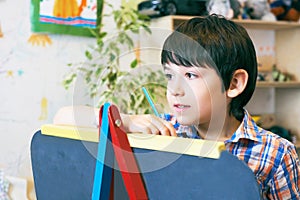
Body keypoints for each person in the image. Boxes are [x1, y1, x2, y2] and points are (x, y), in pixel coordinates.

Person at [54, 14, 300, 199]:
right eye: (170, 75)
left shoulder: (276, 154)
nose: (175, 90)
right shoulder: (161, 131)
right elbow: (63, 118)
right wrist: (125, 121)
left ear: (234, 84)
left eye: (191, 76)